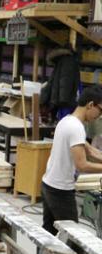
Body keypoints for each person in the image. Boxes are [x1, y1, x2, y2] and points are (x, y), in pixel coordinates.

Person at [41, 85, 102, 235]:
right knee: (71, 240)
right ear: (90, 105)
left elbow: (91, 150)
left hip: (48, 184)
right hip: (60, 191)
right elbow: (81, 165)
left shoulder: (67, 120)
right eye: (100, 110)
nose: (99, 116)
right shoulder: (76, 128)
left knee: (49, 233)